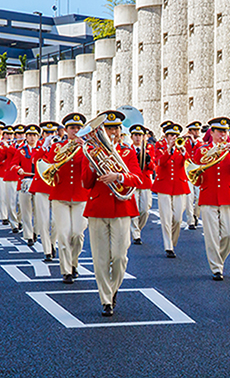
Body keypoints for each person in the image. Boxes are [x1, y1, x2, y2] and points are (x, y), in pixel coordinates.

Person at [81, 110, 144, 317]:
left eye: (115, 128)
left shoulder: (127, 152)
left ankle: (113, 289)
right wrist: (91, 167)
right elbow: (86, 183)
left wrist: (119, 176)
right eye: (108, 128)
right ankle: (106, 300)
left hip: (121, 207)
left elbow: (138, 179)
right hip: (98, 208)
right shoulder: (90, 151)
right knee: (100, 259)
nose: (112, 132)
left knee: (119, 256)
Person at [194, 117, 230, 280]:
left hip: (228, 196)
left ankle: (219, 260)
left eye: (225, 132)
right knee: (211, 235)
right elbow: (195, 176)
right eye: (220, 132)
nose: (223, 135)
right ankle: (216, 268)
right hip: (209, 195)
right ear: (213, 133)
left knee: (228, 235)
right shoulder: (202, 150)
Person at [45, 113, 90, 284]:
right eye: (72, 128)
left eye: (79, 128)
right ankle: (66, 270)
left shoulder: (88, 148)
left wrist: (85, 148)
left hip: (80, 195)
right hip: (60, 195)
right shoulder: (57, 147)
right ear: (66, 130)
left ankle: (74, 262)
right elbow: (49, 167)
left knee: (77, 234)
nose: (76, 131)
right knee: (63, 235)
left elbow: (92, 168)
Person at [151, 122, 190, 258]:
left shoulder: (182, 148)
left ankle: (172, 242)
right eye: (171, 135)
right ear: (166, 136)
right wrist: (169, 149)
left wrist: (184, 152)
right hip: (164, 185)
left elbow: (188, 163)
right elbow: (160, 162)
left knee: (178, 219)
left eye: (175, 135)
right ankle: (168, 246)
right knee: (166, 218)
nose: (173, 137)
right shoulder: (160, 148)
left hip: (179, 185)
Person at [31, 121, 60, 262]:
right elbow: (35, 160)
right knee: (43, 220)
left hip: (56, 187)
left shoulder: (60, 146)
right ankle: (47, 250)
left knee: (56, 221)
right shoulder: (38, 147)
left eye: (52, 133)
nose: (50, 135)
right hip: (41, 187)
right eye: (47, 133)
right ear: (43, 134)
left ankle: (53, 243)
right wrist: (44, 146)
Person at [10, 124, 41, 245]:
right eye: (30, 135)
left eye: (34, 135)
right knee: (25, 210)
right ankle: (28, 234)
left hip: (38, 182)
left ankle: (36, 232)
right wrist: (18, 169)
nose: (32, 138)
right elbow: (13, 164)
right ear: (26, 137)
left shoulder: (42, 149)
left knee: (39, 210)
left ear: (38, 137)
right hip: (25, 182)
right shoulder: (21, 151)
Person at [129, 124, 155, 245]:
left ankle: (137, 228)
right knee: (135, 209)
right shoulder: (128, 149)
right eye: (136, 135)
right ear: (131, 137)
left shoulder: (149, 148)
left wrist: (148, 161)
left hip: (145, 182)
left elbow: (152, 168)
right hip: (133, 182)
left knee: (145, 210)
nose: (138, 138)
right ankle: (135, 233)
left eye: (140, 135)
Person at [0, 125, 14, 226]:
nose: (9, 136)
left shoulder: (16, 145)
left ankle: (14, 217)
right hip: (1, 173)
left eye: (11, 134)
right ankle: (4, 216)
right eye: (7, 134)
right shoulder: (0, 145)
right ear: (3, 135)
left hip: (13, 174)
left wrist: (8, 147)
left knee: (13, 199)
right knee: (2, 196)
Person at [184, 121, 203, 230]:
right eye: (194, 130)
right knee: (189, 198)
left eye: (198, 130)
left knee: (199, 197)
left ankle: (196, 215)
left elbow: (200, 152)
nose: (197, 132)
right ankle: (190, 220)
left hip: (197, 172)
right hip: (187, 173)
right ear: (189, 131)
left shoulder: (199, 142)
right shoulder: (183, 141)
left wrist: (194, 141)